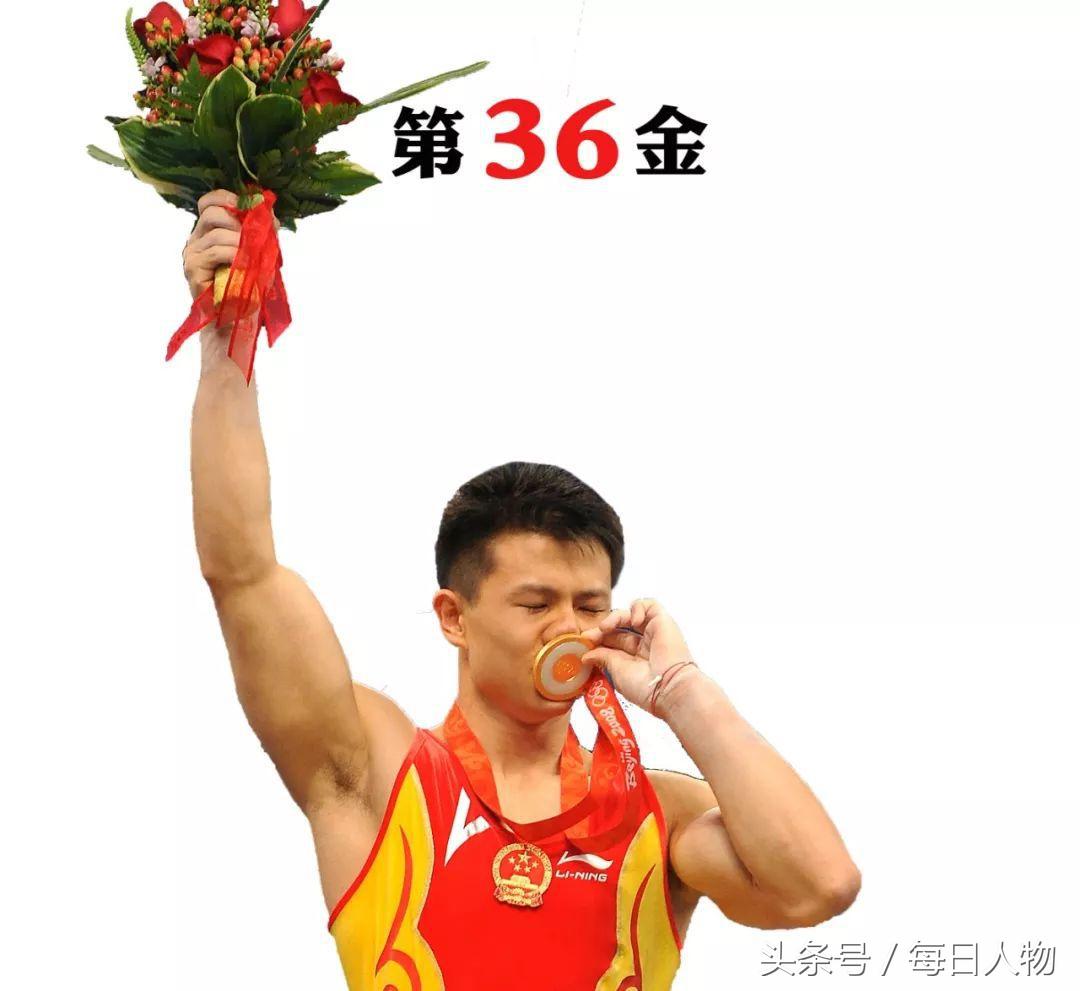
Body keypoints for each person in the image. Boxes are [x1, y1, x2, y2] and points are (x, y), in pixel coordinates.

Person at [182, 189, 861, 990]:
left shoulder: (659, 816)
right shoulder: (373, 769)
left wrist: (682, 691)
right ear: (454, 615)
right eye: (536, 604)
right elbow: (242, 571)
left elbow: (821, 885)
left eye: (591, 604)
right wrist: (227, 334)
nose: (569, 627)